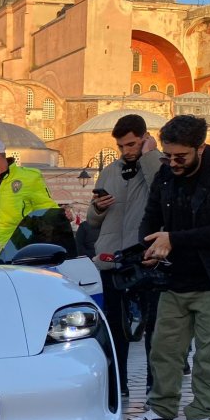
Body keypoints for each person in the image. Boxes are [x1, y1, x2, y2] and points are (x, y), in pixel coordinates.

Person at [127, 115, 210, 420]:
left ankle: (201, 416)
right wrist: (149, 246)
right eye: (168, 155)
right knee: (164, 350)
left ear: (201, 147)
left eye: (180, 156)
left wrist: (174, 239)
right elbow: (151, 217)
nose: (173, 163)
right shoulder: (166, 174)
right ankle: (161, 410)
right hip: (175, 279)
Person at [87, 114, 164, 399]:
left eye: (131, 144)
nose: (126, 151)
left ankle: (155, 389)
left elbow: (162, 191)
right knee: (115, 329)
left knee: (154, 329)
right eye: (121, 146)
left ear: (145, 138)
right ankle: (119, 386)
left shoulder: (157, 164)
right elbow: (92, 220)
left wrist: (150, 156)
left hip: (146, 259)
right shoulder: (109, 171)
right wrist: (98, 207)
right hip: (112, 260)